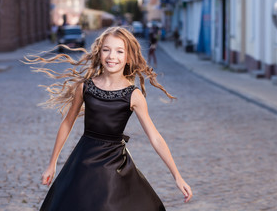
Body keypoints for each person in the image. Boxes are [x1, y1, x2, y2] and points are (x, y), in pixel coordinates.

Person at [25, 27, 192, 210]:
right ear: (99, 52)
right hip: (83, 162)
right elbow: (67, 124)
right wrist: (52, 164)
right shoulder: (85, 87)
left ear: (128, 57)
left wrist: (177, 176)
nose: (112, 56)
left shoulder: (134, 95)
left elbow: (155, 138)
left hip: (115, 165)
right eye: (107, 49)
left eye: (119, 51)